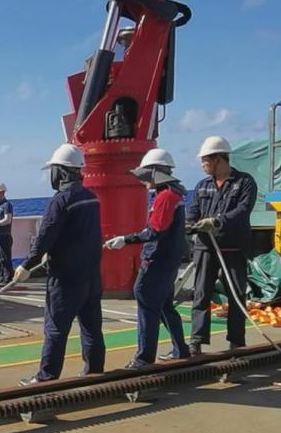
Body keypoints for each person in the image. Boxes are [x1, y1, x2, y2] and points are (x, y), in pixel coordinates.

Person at [14, 144, 105, 384]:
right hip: (92, 275)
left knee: (55, 328)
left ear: (61, 171)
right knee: (91, 326)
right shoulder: (92, 198)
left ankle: (47, 377)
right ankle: (95, 371)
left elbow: (45, 237)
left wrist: (27, 265)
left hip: (66, 278)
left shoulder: (61, 200)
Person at [104, 148, 190, 368]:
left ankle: (144, 358)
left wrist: (126, 239)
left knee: (145, 299)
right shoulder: (174, 195)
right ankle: (181, 349)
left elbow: (155, 232)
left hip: (157, 261)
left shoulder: (165, 197)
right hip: (169, 260)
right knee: (164, 305)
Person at [186, 136, 258, 355]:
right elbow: (193, 210)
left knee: (236, 295)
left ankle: (237, 342)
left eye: (206, 160)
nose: (202, 164)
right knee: (201, 294)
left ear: (219, 158)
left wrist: (217, 221)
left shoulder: (244, 182)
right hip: (206, 248)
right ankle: (196, 341)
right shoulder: (202, 186)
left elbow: (242, 210)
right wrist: (189, 224)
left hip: (233, 248)